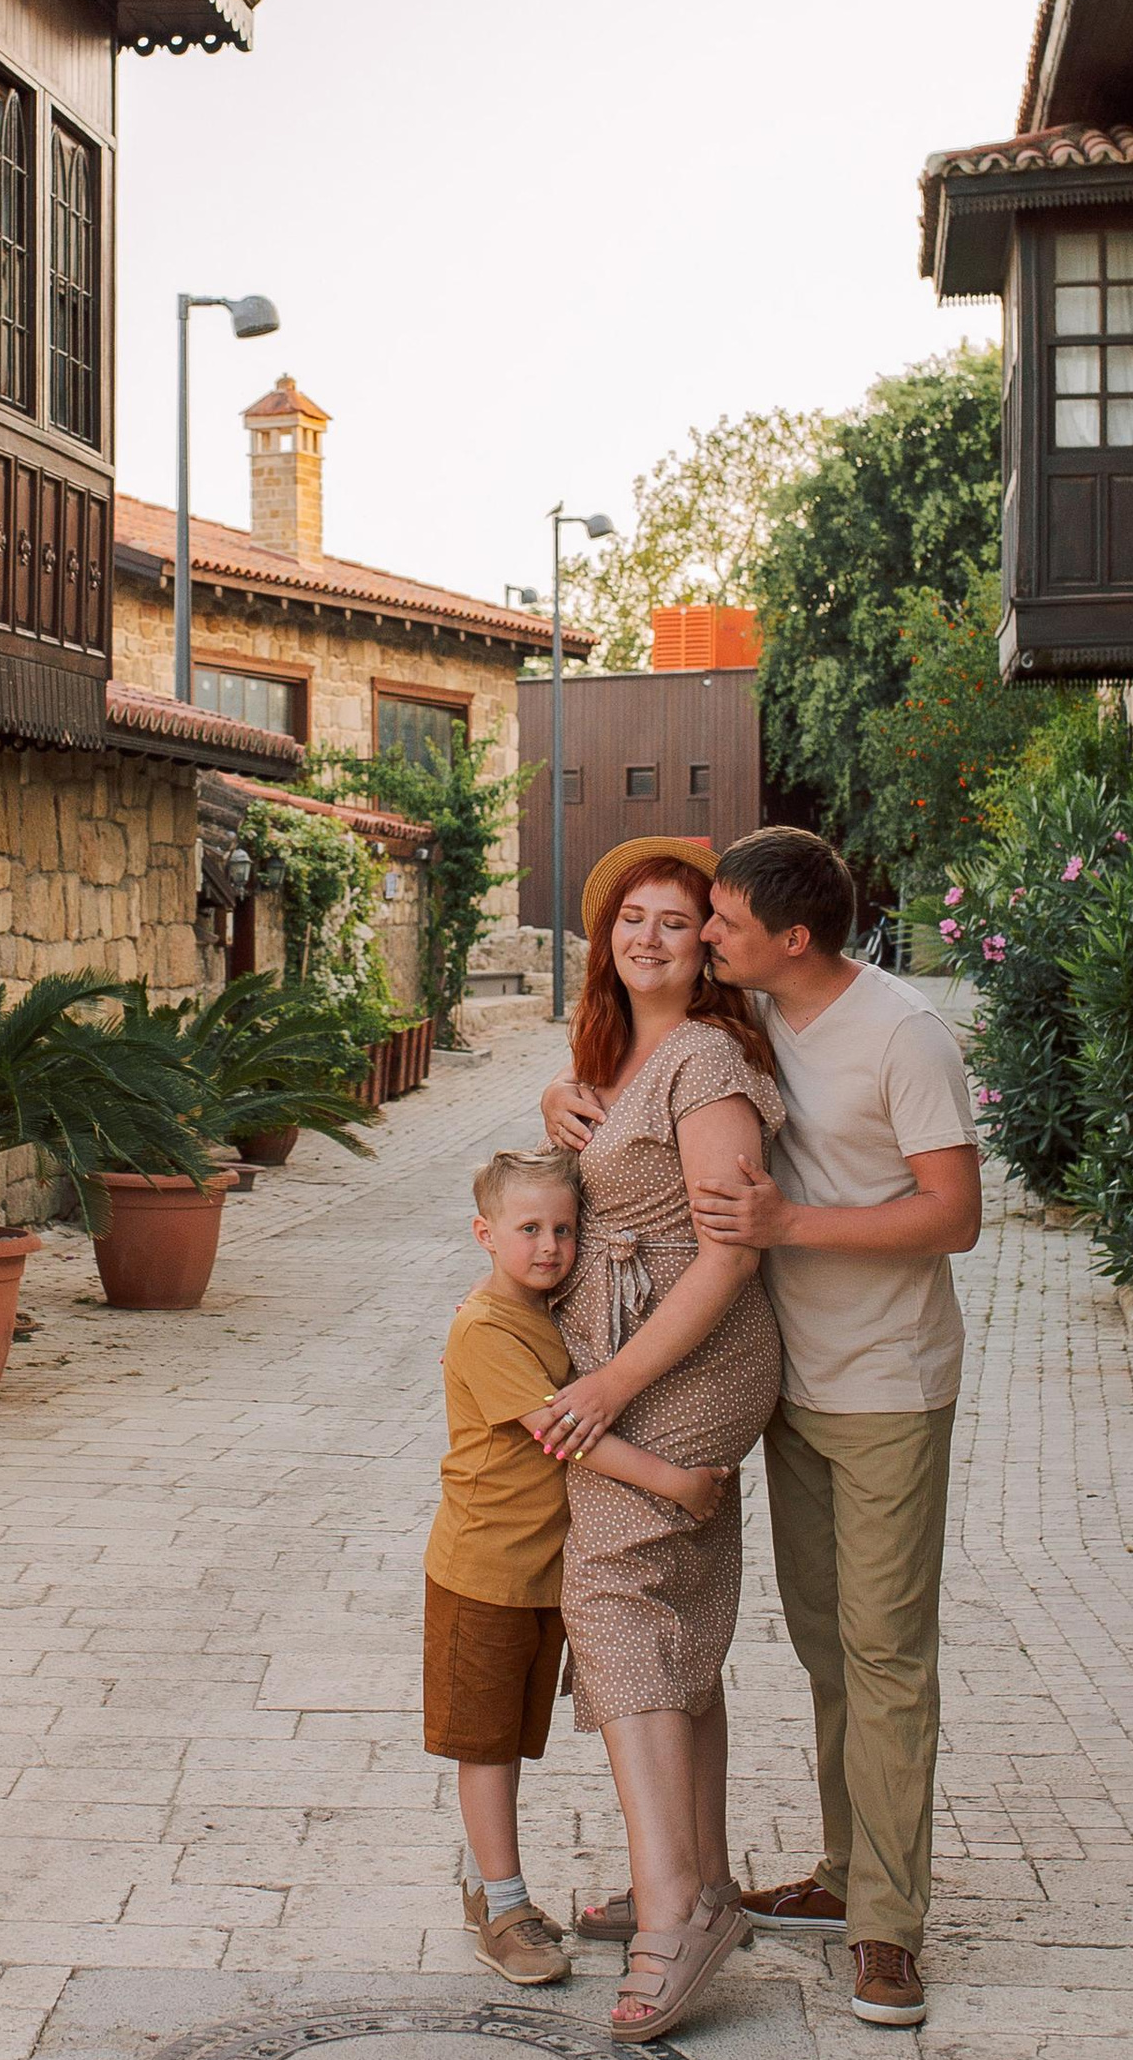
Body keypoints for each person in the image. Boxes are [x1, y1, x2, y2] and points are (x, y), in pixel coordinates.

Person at [543, 825, 981, 2032]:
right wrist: (564, 1093)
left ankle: (886, 1928)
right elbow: (662, 1075)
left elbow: (955, 1217)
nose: (701, 933)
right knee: (830, 1648)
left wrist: (788, 1228)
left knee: (886, 1654)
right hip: (789, 1382)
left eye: (718, 919)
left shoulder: (902, 1034)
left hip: (886, 1380)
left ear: (788, 939)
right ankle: (844, 1872)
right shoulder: (761, 1014)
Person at [528, 841, 786, 2046]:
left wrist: (611, 1383)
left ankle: (674, 1913)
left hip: (693, 1353)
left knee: (613, 1588)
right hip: (631, 1351)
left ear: (706, 946)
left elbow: (730, 1251)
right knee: (672, 1605)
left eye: (676, 922)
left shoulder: (707, 1059)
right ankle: (702, 1868)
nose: (648, 937)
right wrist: (554, 1110)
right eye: (631, 917)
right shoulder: (620, 1053)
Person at [423, 1147, 734, 1990]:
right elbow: (566, 1430)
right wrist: (674, 1482)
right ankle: (503, 1900)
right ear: (485, 1235)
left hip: (542, 1575)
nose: (551, 1246)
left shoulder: (547, 1308)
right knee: (488, 1747)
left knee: (520, 1736)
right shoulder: (485, 1327)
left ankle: (509, 1886)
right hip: (482, 1571)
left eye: (565, 1229)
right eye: (529, 1230)